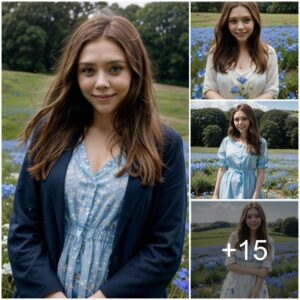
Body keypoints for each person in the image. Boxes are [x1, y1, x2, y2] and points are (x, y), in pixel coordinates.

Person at [7, 13, 187, 298]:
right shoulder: (49, 131)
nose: (101, 82)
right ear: (74, 74)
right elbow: (23, 232)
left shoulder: (165, 145)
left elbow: (164, 248)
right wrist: (51, 294)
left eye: (115, 69)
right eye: (88, 71)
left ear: (134, 71)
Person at [203, 2, 279, 99]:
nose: (240, 27)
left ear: (255, 22)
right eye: (233, 21)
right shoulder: (215, 52)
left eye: (246, 20)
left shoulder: (269, 53)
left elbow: (272, 90)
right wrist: (231, 107)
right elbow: (209, 89)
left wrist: (247, 107)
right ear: (226, 24)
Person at [213, 104, 268, 199]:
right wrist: (215, 194)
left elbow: (261, 171)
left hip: (249, 186)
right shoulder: (227, 141)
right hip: (228, 185)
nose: (240, 123)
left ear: (251, 120)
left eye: (244, 119)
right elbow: (222, 169)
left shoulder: (261, 142)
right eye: (236, 119)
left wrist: (256, 194)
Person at [220, 202, 274, 298]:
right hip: (235, 285)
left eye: (257, 216)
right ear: (244, 219)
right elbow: (230, 265)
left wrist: (254, 294)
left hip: (257, 287)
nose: (253, 220)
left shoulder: (269, 241)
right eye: (249, 217)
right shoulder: (234, 237)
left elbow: (264, 271)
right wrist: (257, 271)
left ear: (262, 218)